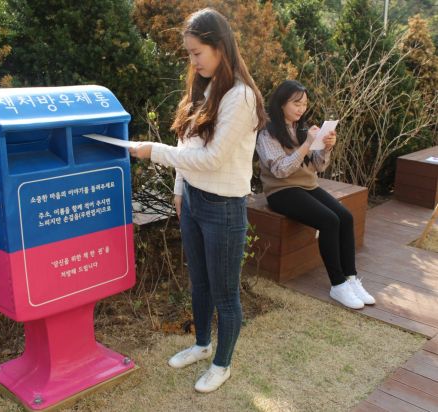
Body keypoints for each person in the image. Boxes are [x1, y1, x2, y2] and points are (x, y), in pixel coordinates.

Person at [128, 8, 266, 393]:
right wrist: (178, 190)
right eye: (189, 53)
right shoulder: (204, 87)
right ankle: (203, 345)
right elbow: (186, 145)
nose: (192, 61)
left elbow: (212, 159)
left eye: (196, 53)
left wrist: (151, 151)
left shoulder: (241, 97)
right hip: (191, 200)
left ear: (220, 47)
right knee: (199, 281)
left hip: (223, 207)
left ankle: (222, 364)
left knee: (224, 291)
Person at [256, 80, 375, 309]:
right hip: (281, 191)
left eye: (305, 104)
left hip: (307, 185)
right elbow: (281, 171)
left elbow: (318, 166)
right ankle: (338, 285)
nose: (301, 109)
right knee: (329, 220)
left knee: (346, 217)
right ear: (281, 104)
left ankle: (351, 278)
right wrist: (306, 144)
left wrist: (326, 147)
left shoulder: (303, 129)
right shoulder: (267, 133)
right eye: (296, 104)